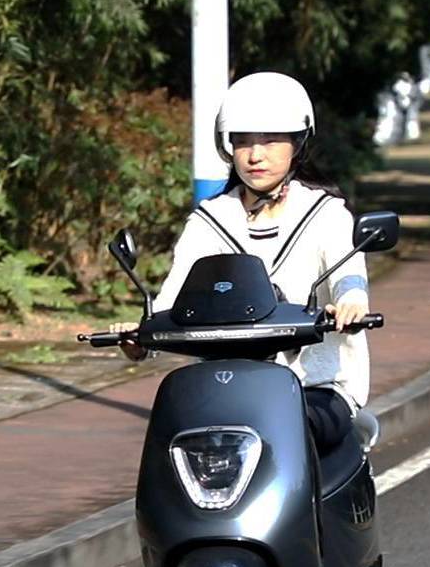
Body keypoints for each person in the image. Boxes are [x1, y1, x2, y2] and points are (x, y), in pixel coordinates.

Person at [116, 71, 371, 453]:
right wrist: (142, 337)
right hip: (226, 382)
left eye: (270, 140)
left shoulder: (325, 214)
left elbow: (348, 273)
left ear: (298, 143)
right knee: (172, 434)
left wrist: (351, 302)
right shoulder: (210, 221)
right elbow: (173, 299)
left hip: (315, 385)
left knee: (287, 432)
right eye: (243, 142)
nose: (255, 155)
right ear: (228, 147)